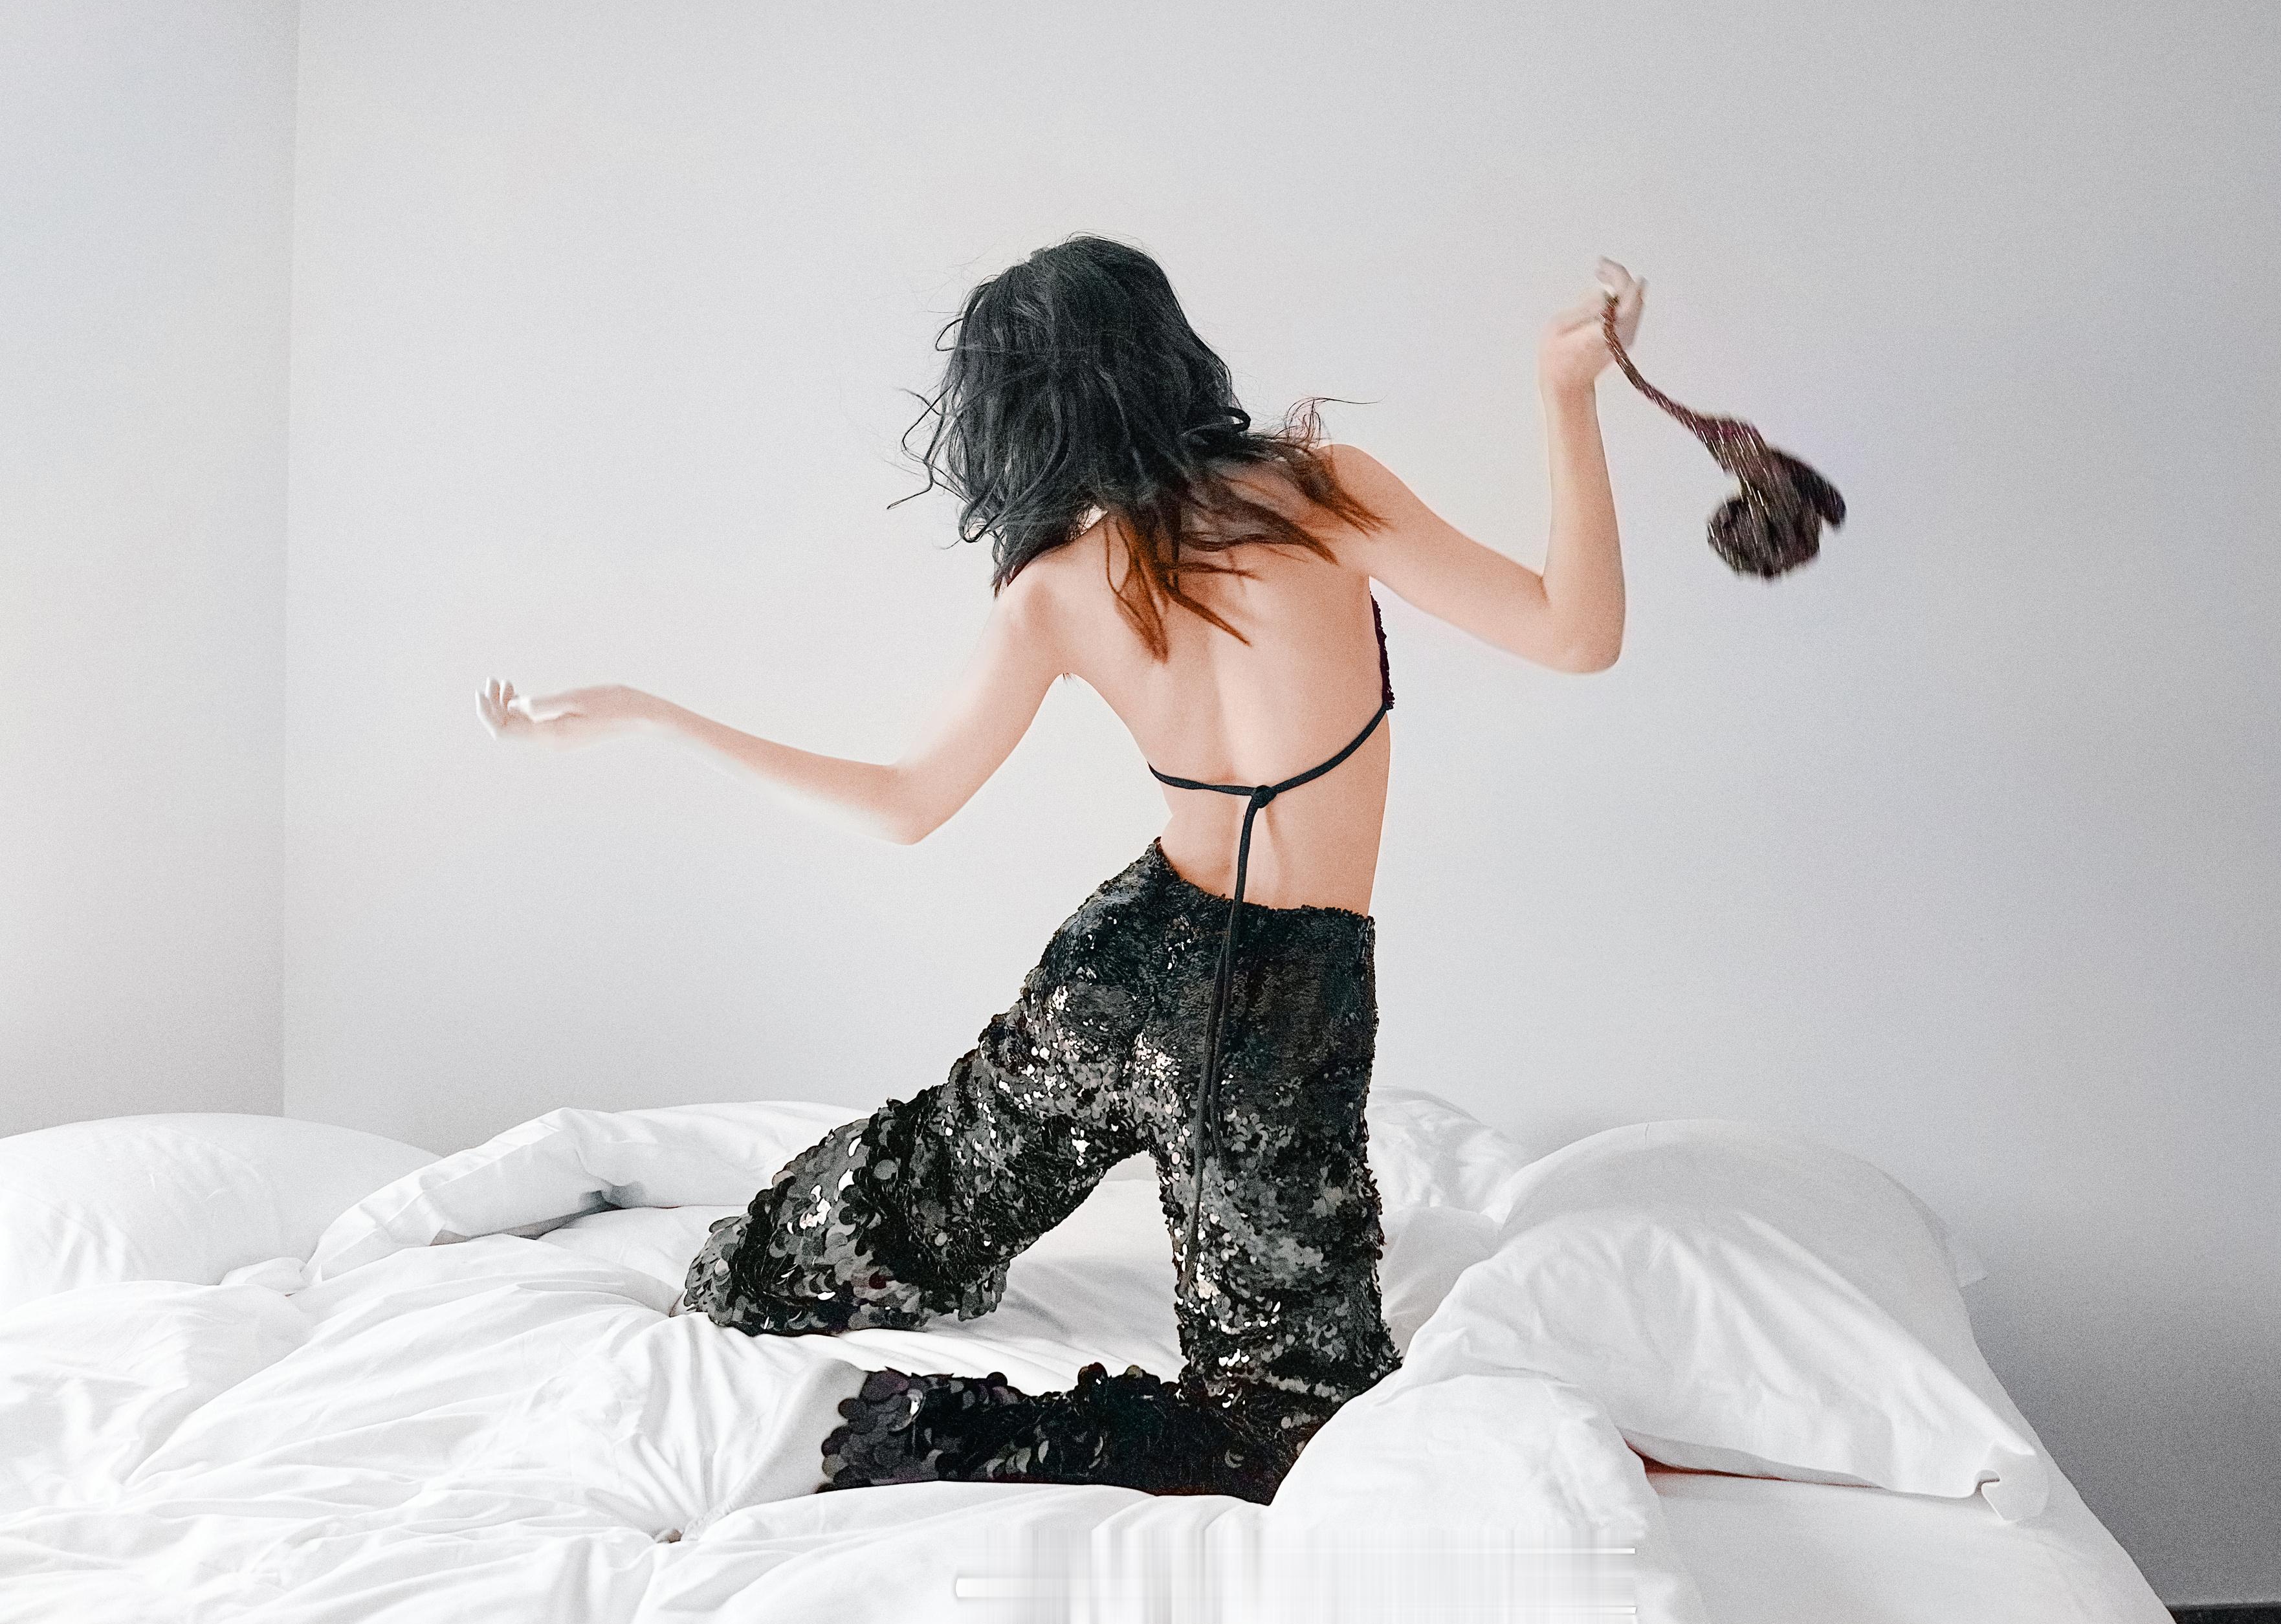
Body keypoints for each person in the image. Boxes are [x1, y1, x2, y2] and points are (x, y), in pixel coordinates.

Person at [477, 236, 1646, 1502]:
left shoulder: (1062, 585)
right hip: (1258, 1017)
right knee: (1278, 1419)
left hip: (1134, 972)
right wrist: (1563, 394)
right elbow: (1575, 633)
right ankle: (829, 1416)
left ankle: (806, 1371)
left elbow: (906, 802)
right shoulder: (1321, 493)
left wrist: (658, 717)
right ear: (1166, 352)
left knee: (855, 1237)